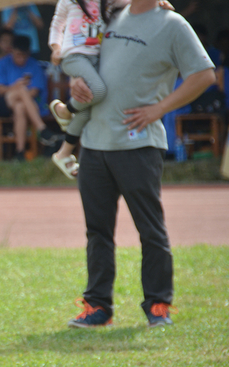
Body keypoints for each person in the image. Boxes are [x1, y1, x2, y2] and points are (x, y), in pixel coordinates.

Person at [66, 0, 215, 328]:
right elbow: (85, 57)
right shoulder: (111, 16)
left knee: (150, 229)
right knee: (98, 231)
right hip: (93, 143)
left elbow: (204, 75)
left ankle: (159, 305)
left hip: (139, 144)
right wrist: (77, 81)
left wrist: (161, 108)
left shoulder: (172, 24)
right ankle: (97, 306)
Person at [47, 0, 130, 179]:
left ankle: (63, 153)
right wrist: (56, 48)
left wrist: (158, 2)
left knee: (86, 109)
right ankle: (64, 110)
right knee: (98, 91)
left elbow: (136, 3)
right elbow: (57, 24)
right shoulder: (68, 1)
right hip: (74, 57)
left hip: (98, 58)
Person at [0, 34, 56, 161]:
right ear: (12, 51)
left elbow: (35, 91)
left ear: (28, 53)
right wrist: (15, 86)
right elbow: (0, 90)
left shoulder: (34, 65)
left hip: (23, 104)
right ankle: (42, 129)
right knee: (21, 89)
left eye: (24, 56)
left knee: (20, 107)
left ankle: (20, 152)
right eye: (18, 55)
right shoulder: (3, 63)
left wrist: (20, 91)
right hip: (4, 102)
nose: (21, 59)